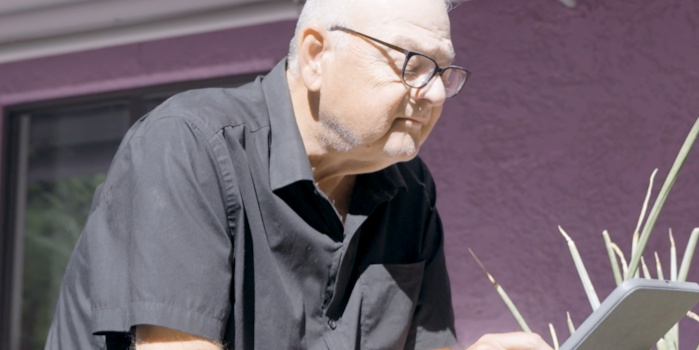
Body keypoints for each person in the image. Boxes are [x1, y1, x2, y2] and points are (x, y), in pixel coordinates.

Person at [45, 0, 553, 349]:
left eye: (444, 72)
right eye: (412, 64)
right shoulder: (189, 145)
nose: (436, 94)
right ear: (315, 56)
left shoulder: (409, 189)